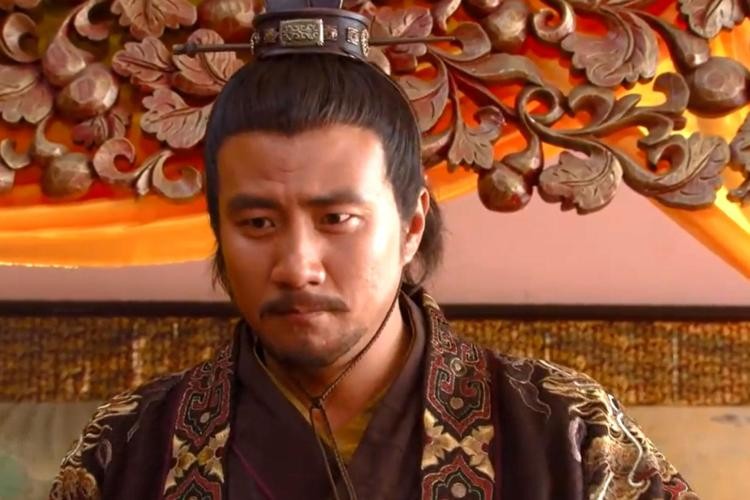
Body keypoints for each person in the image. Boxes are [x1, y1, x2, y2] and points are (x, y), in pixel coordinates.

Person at [50, 1, 697, 499]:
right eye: (257, 223)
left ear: (411, 224)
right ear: (219, 229)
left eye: (337, 219)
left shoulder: (564, 432)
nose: (297, 266)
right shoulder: (131, 446)